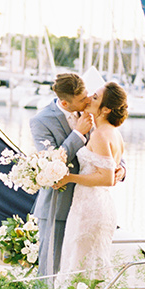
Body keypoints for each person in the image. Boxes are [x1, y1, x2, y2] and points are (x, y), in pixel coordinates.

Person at [53, 82, 127, 286]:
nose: (89, 98)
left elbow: (106, 178)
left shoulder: (101, 134)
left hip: (90, 208)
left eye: (95, 97)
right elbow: (112, 172)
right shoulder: (113, 133)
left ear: (105, 109)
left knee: (79, 266)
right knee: (87, 265)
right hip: (95, 205)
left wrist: (69, 178)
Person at [29, 73, 93, 277]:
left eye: (86, 95)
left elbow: (108, 142)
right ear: (65, 102)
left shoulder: (91, 109)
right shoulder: (41, 121)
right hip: (58, 205)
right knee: (50, 269)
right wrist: (78, 134)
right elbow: (50, 165)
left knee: (82, 266)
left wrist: (121, 167)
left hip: (89, 202)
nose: (87, 101)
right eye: (82, 100)